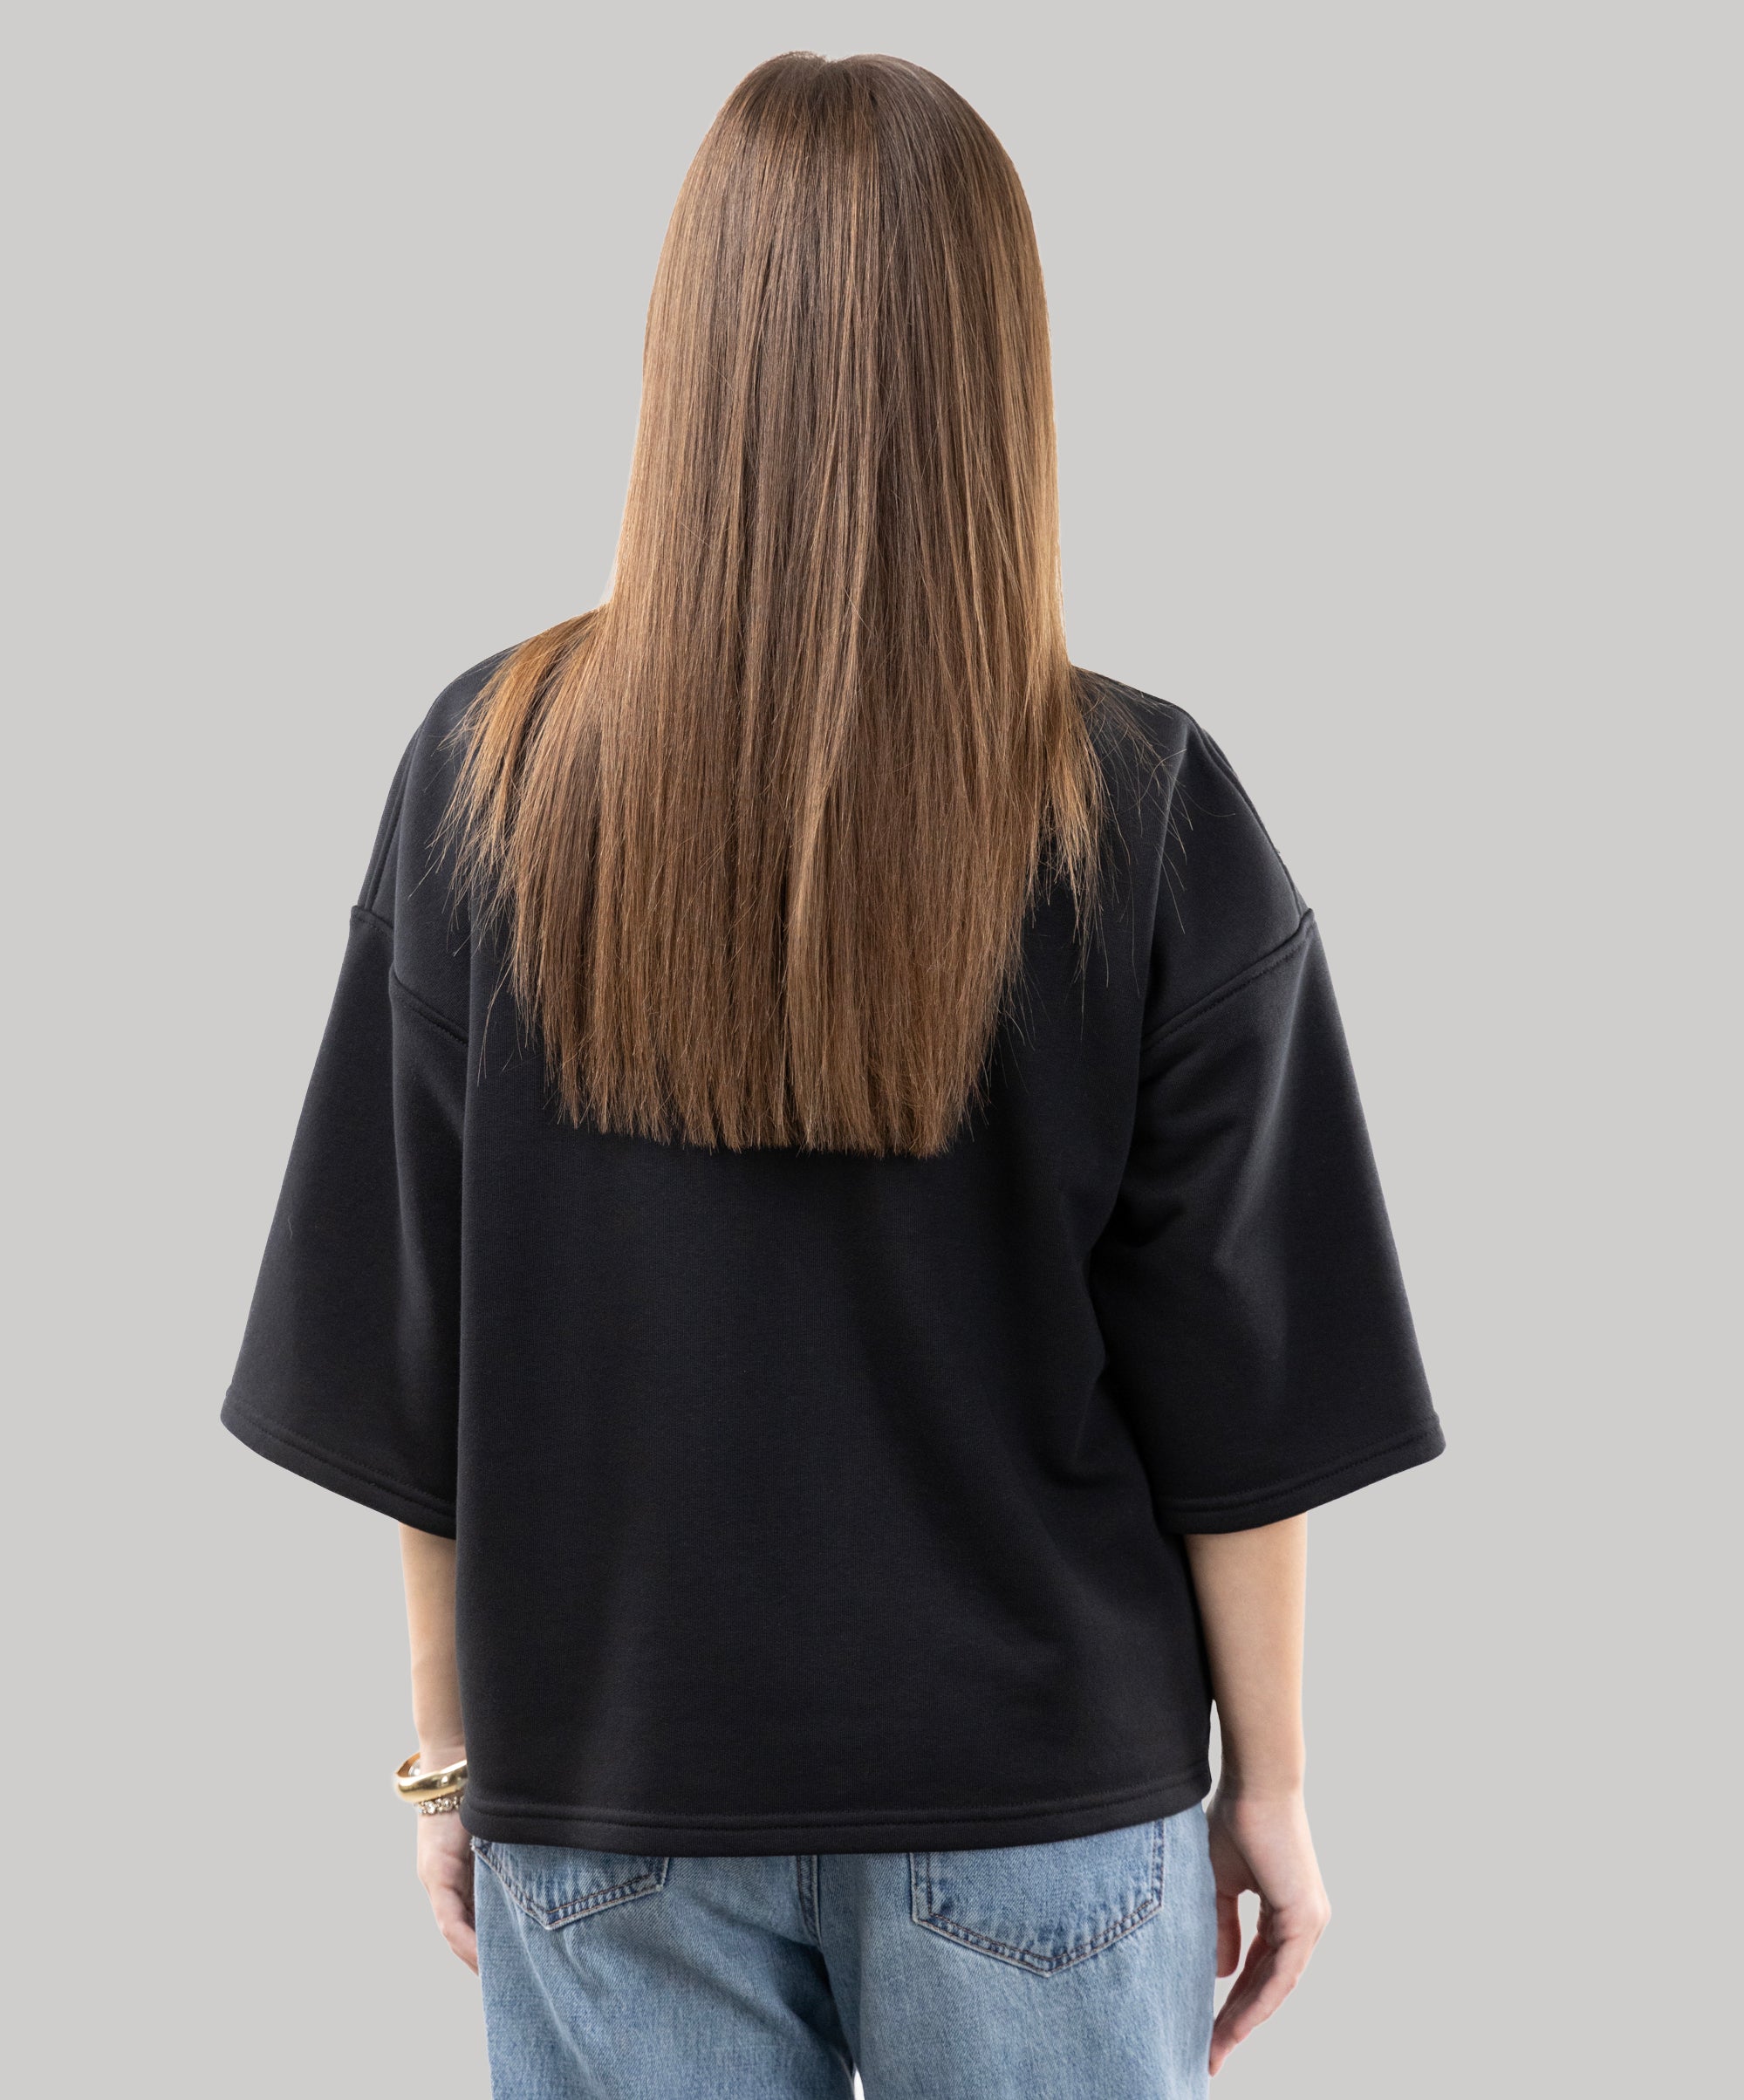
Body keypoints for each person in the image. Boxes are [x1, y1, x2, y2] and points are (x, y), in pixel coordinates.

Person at [223, 49, 1444, 2100]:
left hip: (609, 1800)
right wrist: (1273, 1786)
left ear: (685, 353)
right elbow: (1248, 1389)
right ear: (1000, 372)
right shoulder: (1139, 804)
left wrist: (447, 1757)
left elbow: (407, 1350)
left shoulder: (483, 776)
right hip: (1043, 1804)